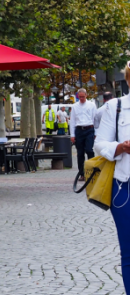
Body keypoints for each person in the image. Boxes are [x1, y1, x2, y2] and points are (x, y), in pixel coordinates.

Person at [93, 66, 130, 293]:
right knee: (129, 251)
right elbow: (99, 144)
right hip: (123, 187)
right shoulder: (115, 107)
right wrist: (120, 147)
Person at [70, 88, 98, 179]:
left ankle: (91, 170)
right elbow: (73, 121)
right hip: (79, 130)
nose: (81, 98)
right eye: (80, 97)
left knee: (89, 150)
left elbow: (95, 119)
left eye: (83, 97)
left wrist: (96, 132)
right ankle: (82, 173)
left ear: (86, 95)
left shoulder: (91, 105)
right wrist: (72, 135)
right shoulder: (75, 106)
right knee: (80, 152)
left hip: (89, 128)